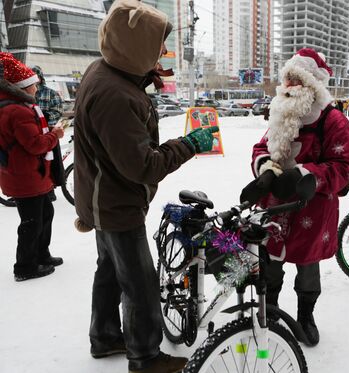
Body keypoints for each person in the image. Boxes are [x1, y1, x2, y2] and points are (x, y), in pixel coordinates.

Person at [72, 0, 217, 372]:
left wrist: (142, 77)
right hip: (117, 205)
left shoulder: (107, 72)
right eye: (156, 46)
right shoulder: (114, 95)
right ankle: (145, 357)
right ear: (132, 47)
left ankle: (104, 336)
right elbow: (143, 166)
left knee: (109, 270)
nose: (162, 53)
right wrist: (188, 144)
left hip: (101, 199)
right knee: (140, 286)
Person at [241, 48, 349, 346]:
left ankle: (305, 315)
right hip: (275, 207)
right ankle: (273, 313)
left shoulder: (334, 121)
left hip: (312, 210)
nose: (289, 87)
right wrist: (264, 168)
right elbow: (261, 147)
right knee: (270, 265)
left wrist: (306, 175)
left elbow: (344, 166)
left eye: (297, 80)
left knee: (308, 268)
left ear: (313, 85)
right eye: (287, 80)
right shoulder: (280, 113)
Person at [0, 52, 65, 281]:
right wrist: (55, 135)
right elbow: (35, 145)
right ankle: (25, 266)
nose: (37, 89)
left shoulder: (20, 107)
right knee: (31, 222)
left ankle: (41, 254)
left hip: (32, 174)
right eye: (33, 85)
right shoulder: (17, 111)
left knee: (45, 213)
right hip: (25, 176)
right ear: (22, 87)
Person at [31, 65, 64, 201]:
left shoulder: (50, 93)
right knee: (36, 163)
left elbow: (58, 110)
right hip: (33, 133)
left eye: (35, 76)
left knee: (52, 160)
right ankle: (37, 188)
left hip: (48, 133)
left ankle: (51, 188)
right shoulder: (26, 92)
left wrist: (46, 116)